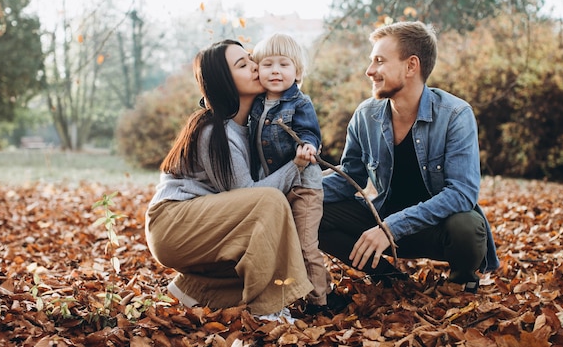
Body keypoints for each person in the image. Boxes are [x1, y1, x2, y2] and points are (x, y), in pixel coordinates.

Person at [319, 21, 499, 292]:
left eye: (379, 61)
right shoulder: (365, 115)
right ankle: (389, 280)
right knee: (311, 210)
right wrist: (296, 191)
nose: (370, 71)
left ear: (411, 65)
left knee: (468, 226)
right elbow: (348, 177)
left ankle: (461, 283)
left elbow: (462, 193)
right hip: (381, 222)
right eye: (372, 61)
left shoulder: (455, 115)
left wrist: (392, 227)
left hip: (435, 230)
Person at [144, 39, 315, 323]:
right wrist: (295, 165)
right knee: (269, 202)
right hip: (172, 223)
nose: (254, 66)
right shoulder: (215, 130)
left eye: (250, 59)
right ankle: (268, 310)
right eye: (242, 64)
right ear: (225, 81)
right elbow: (249, 196)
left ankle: (193, 290)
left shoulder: (248, 128)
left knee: (253, 261)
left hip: (195, 219)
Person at [249, 33, 328, 314]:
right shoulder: (256, 104)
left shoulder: (299, 102)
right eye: (268, 64)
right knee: (285, 245)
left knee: (306, 245)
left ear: (297, 71)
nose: (275, 71)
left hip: (304, 185)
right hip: (274, 185)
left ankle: (320, 301)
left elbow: (309, 132)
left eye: (284, 64)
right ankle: (294, 293)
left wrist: (308, 147)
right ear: (257, 70)